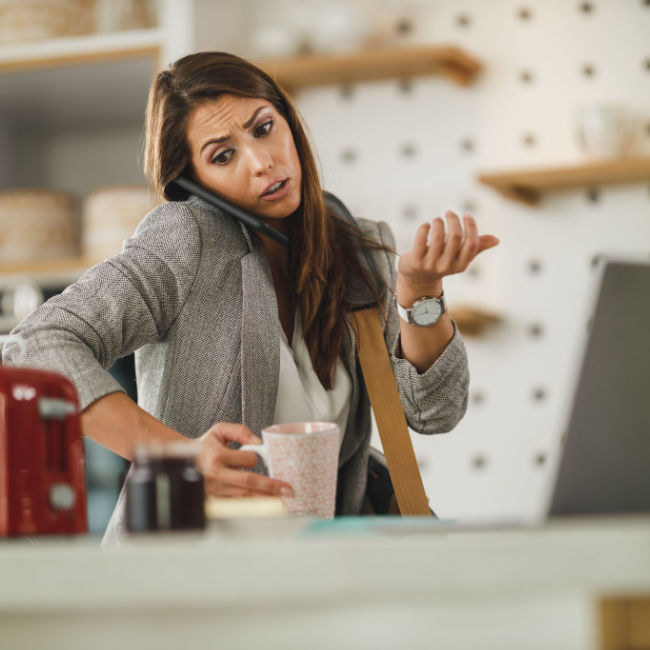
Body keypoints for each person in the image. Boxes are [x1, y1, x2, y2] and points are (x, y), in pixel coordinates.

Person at [2, 52, 498, 545]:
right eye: (223, 155)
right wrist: (175, 456)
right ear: (195, 183)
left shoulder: (363, 249)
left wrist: (422, 294)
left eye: (263, 128)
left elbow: (435, 413)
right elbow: (34, 347)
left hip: (319, 579)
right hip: (189, 573)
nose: (262, 163)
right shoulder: (188, 238)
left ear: (288, 120)